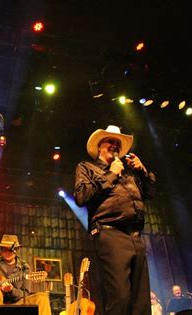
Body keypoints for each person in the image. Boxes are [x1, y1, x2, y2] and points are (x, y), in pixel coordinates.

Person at [74, 125, 156, 315]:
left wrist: (143, 171)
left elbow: (150, 193)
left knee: (141, 303)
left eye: (118, 143)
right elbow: (81, 196)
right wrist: (111, 174)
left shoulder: (129, 175)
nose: (115, 145)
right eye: (110, 141)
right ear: (99, 147)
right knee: (119, 297)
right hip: (110, 234)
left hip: (136, 237)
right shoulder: (87, 167)